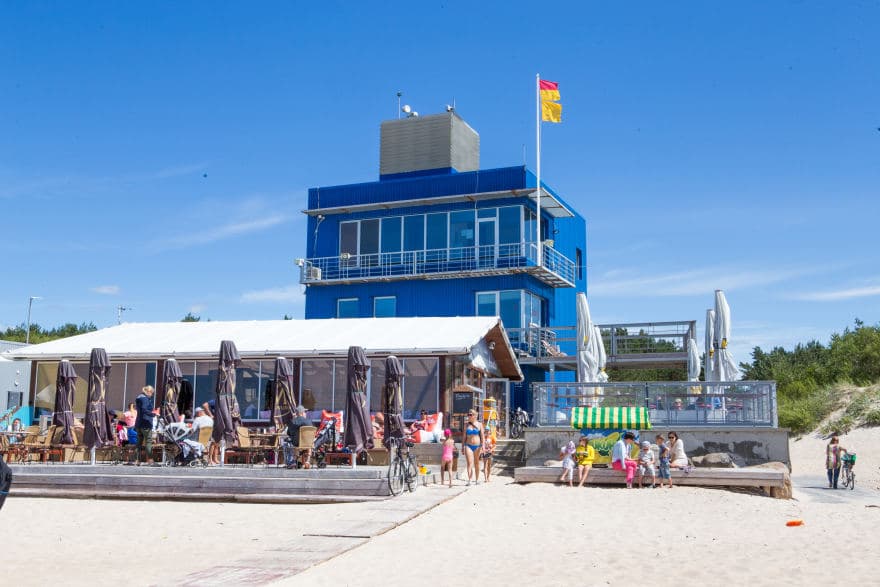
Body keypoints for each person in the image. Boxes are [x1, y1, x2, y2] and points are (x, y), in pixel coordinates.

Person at [461, 409, 483, 486]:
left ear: (475, 416)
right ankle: (469, 480)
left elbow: (482, 436)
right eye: (468, 414)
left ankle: (477, 480)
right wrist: (462, 446)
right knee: (469, 463)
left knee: (476, 463)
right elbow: (464, 436)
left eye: (470, 415)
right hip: (468, 445)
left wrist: (483, 446)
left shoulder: (479, 424)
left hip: (477, 446)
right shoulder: (466, 425)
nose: (469, 416)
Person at [135, 385, 155, 465]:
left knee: (139, 443)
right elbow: (144, 409)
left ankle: (137, 460)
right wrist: (153, 414)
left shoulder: (139, 398)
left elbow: (141, 410)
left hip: (138, 423)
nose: (152, 395)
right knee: (148, 441)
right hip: (146, 423)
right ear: (148, 392)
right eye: (152, 393)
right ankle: (150, 460)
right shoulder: (145, 399)